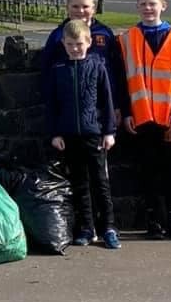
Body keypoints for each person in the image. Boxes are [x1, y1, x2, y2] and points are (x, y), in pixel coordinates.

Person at [118, 0, 171, 240]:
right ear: (137, 7)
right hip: (141, 117)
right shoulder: (127, 39)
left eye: (152, 4)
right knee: (147, 170)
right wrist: (126, 112)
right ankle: (154, 221)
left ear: (163, 5)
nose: (148, 9)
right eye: (143, 4)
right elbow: (122, 80)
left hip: (170, 118)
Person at [47, 19, 120, 250]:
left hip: (94, 134)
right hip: (69, 134)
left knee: (100, 182)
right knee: (79, 183)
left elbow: (107, 102)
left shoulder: (97, 66)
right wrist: (55, 133)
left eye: (78, 44)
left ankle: (108, 227)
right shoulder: (58, 70)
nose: (75, 48)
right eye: (70, 44)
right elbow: (52, 105)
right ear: (64, 44)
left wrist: (109, 131)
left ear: (88, 42)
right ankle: (86, 228)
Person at [43, 0, 124, 114]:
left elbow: (116, 70)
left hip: (103, 104)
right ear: (67, 8)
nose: (80, 11)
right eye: (75, 6)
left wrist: (116, 105)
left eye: (85, 6)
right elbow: (47, 73)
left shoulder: (105, 33)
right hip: (70, 107)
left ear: (93, 8)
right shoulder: (58, 36)